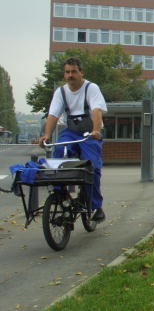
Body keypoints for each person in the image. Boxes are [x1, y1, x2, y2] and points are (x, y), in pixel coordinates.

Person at [39, 57, 108, 222]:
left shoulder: (91, 88)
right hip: (71, 132)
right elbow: (53, 115)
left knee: (92, 167)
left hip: (90, 133)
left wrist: (96, 130)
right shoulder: (61, 92)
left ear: (81, 72)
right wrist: (47, 135)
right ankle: (59, 195)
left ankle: (96, 206)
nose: (70, 75)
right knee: (59, 156)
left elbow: (97, 110)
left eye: (74, 71)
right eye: (67, 72)